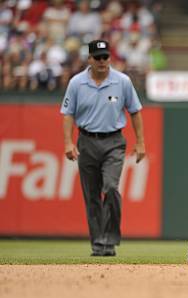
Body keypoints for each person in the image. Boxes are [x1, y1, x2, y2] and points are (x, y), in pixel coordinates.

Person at [60, 39, 146, 256]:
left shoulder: (122, 81)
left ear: (110, 58)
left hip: (114, 142)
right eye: (97, 57)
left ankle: (110, 238)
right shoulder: (76, 83)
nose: (102, 61)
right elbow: (68, 114)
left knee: (110, 188)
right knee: (91, 195)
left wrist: (140, 142)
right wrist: (69, 142)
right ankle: (98, 241)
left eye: (105, 57)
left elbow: (135, 111)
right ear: (89, 59)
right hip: (86, 140)